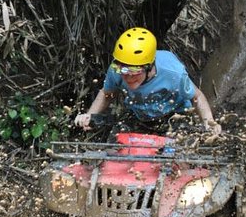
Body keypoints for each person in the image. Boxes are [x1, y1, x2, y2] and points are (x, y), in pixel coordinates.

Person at [74, 27, 222, 136]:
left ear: (149, 67)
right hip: (138, 114)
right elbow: (107, 94)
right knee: (118, 143)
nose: (128, 77)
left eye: (134, 72)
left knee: (176, 151)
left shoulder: (173, 72)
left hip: (175, 114)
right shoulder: (115, 70)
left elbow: (196, 97)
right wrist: (90, 115)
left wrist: (209, 122)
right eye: (123, 71)